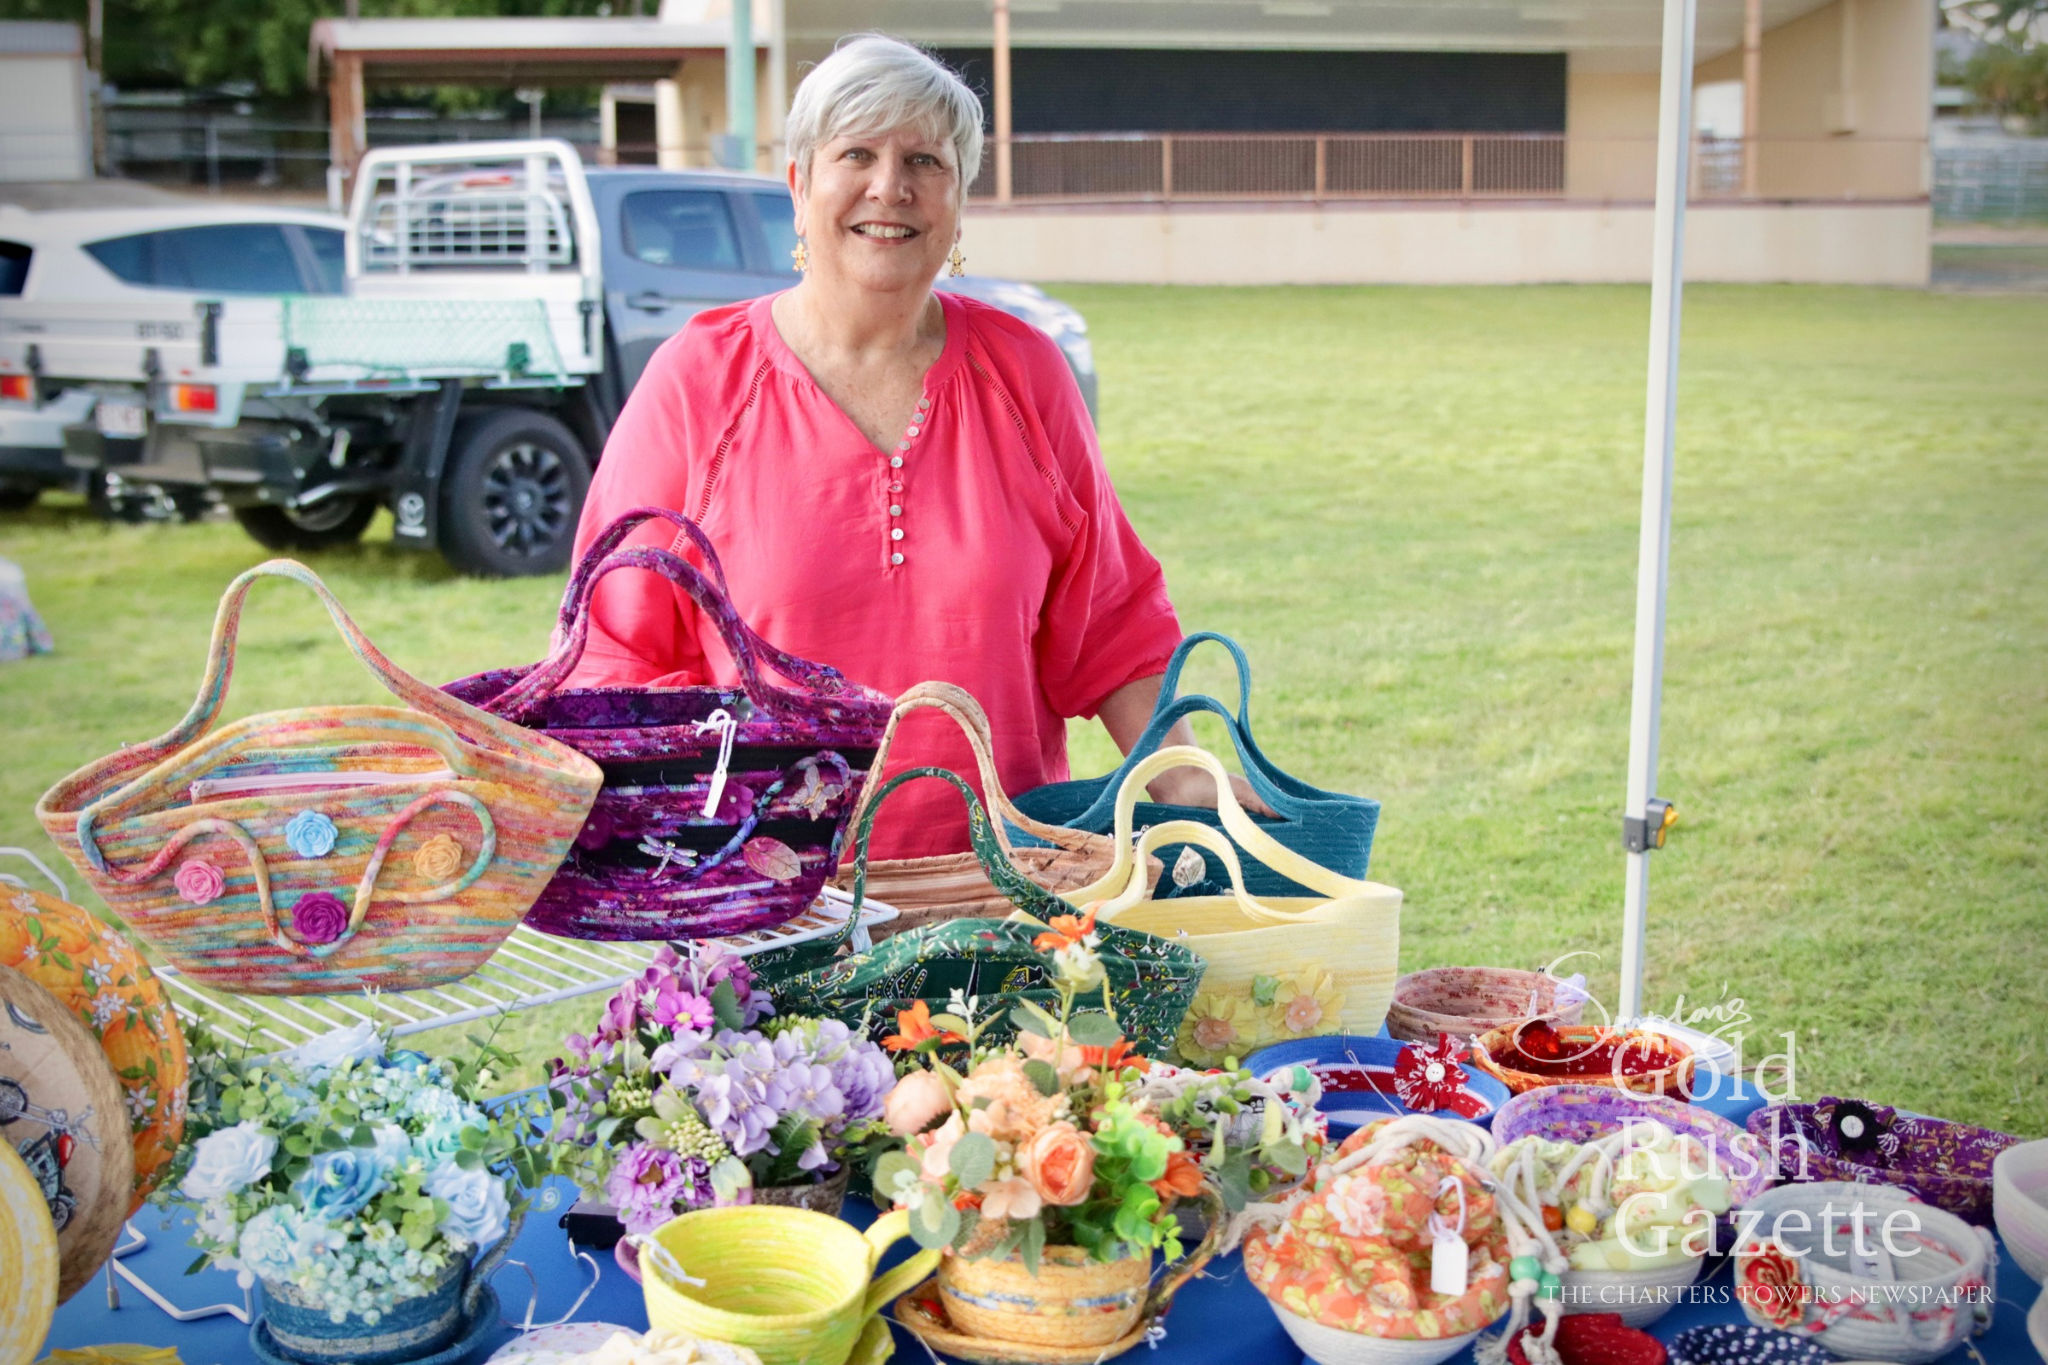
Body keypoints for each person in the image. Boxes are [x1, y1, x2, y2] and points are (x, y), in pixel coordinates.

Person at [565, 34, 1255, 860]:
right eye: (856, 153)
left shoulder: (1026, 373)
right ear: (798, 184)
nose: (890, 188)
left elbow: (1108, 619)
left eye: (925, 161)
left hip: (1011, 898)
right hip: (772, 909)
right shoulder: (697, 382)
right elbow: (611, 655)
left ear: (960, 201)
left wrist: (1184, 772)